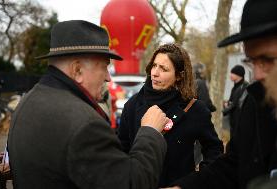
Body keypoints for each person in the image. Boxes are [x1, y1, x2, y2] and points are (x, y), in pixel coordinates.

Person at [7, 20, 170, 189]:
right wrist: (150, 133)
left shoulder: (27, 102)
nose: (108, 77)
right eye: (104, 67)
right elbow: (133, 183)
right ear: (77, 70)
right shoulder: (85, 125)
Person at [164, 0, 277, 189]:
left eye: (266, 59)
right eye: (252, 61)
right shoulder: (256, 101)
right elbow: (232, 165)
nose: (257, 74)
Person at [117, 43, 223, 188]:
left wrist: (195, 183)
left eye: (164, 69)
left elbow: (214, 151)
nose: (155, 73)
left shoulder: (194, 109)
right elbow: (121, 150)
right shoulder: (132, 105)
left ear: (179, 76)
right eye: (154, 66)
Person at [223, 65, 248, 135]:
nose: (230, 75)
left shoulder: (244, 87)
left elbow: (236, 104)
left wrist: (223, 111)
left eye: (233, 73)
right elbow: (231, 101)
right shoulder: (235, 87)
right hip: (233, 122)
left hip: (240, 123)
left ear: (239, 74)